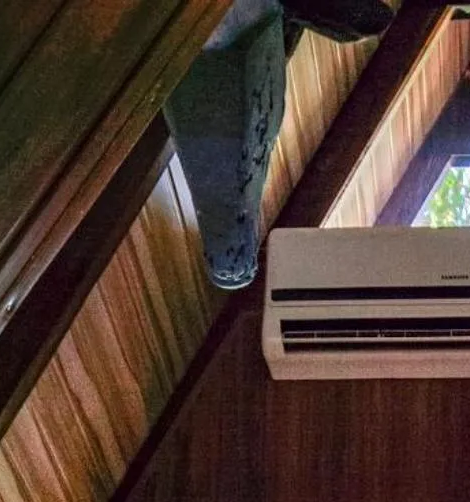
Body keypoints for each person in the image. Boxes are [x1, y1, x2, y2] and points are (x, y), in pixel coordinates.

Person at [165, 0, 394, 290]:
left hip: (226, 41)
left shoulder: (228, 180)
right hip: (235, 43)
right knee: (363, 25)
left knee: (363, 24)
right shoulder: (232, 183)